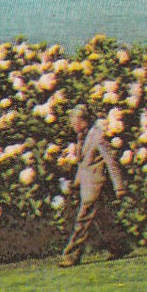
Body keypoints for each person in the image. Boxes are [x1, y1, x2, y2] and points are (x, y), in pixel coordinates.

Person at [57, 105, 131, 267]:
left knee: (82, 221)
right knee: (102, 221)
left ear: (83, 121)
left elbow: (111, 161)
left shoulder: (97, 136)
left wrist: (119, 187)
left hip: (95, 187)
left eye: (74, 121)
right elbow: (83, 164)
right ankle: (120, 247)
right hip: (87, 186)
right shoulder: (82, 138)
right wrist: (76, 183)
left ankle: (71, 255)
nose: (73, 125)